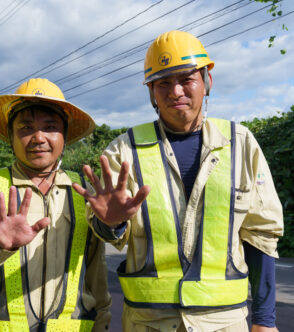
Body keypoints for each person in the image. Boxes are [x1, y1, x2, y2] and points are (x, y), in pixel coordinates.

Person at [73, 30, 284, 332]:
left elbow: (261, 235)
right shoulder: (124, 150)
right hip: (147, 323)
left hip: (225, 323)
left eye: (186, 79)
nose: (175, 91)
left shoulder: (240, 144)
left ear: (207, 81)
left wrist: (265, 320)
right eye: (163, 83)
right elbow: (106, 230)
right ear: (151, 92)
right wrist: (112, 223)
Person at [0, 78, 112, 331]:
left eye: (50, 127)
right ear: (10, 137)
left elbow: (96, 276)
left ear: (64, 136)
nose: (38, 137)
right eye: (26, 128)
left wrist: (102, 324)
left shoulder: (83, 192)